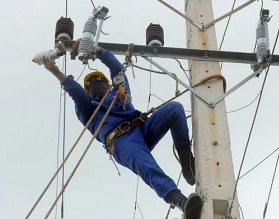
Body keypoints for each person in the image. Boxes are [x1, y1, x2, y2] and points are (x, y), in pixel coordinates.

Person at [43, 43, 202, 218]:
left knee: (174, 109)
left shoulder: (119, 92)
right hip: (121, 141)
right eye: (91, 84)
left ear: (107, 83)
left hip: (142, 128)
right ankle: (180, 201)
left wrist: (96, 50)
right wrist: (56, 72)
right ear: (87, 91)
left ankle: (187, 165)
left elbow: (117, 68)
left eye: (100, 80)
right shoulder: (88, 109)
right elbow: (77, 93)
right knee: (146, 166)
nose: (96, 83)